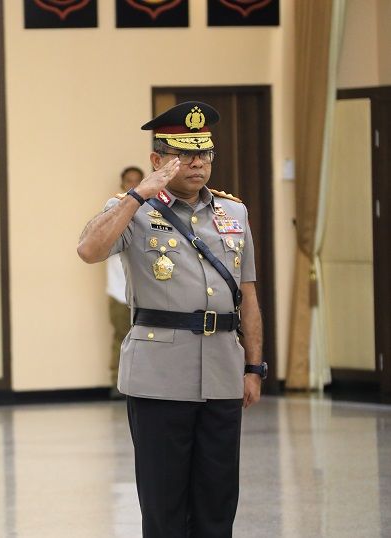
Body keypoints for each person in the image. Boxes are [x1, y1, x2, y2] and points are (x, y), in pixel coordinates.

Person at [77, 101, 266, 537]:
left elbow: (249, 294)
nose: (197, 163)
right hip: (159, 374)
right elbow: (89, 250)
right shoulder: (133, 209)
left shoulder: (233, 213)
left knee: (218, 501)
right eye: (184, 154)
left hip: (222, 370)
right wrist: (137, 195)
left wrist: (254, 367)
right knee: (164, 504)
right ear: (158, 159)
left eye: (204, 153)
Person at [106, 166, 143, 399]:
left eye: (137, 181)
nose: (132, 185)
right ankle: (116, 384)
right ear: (122, 184)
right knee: (121, 337)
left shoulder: (152, 211)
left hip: (144, 291)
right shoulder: (112, 210)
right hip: (119, 290)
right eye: (129, 181)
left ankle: (140, 384)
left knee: (146, 339)